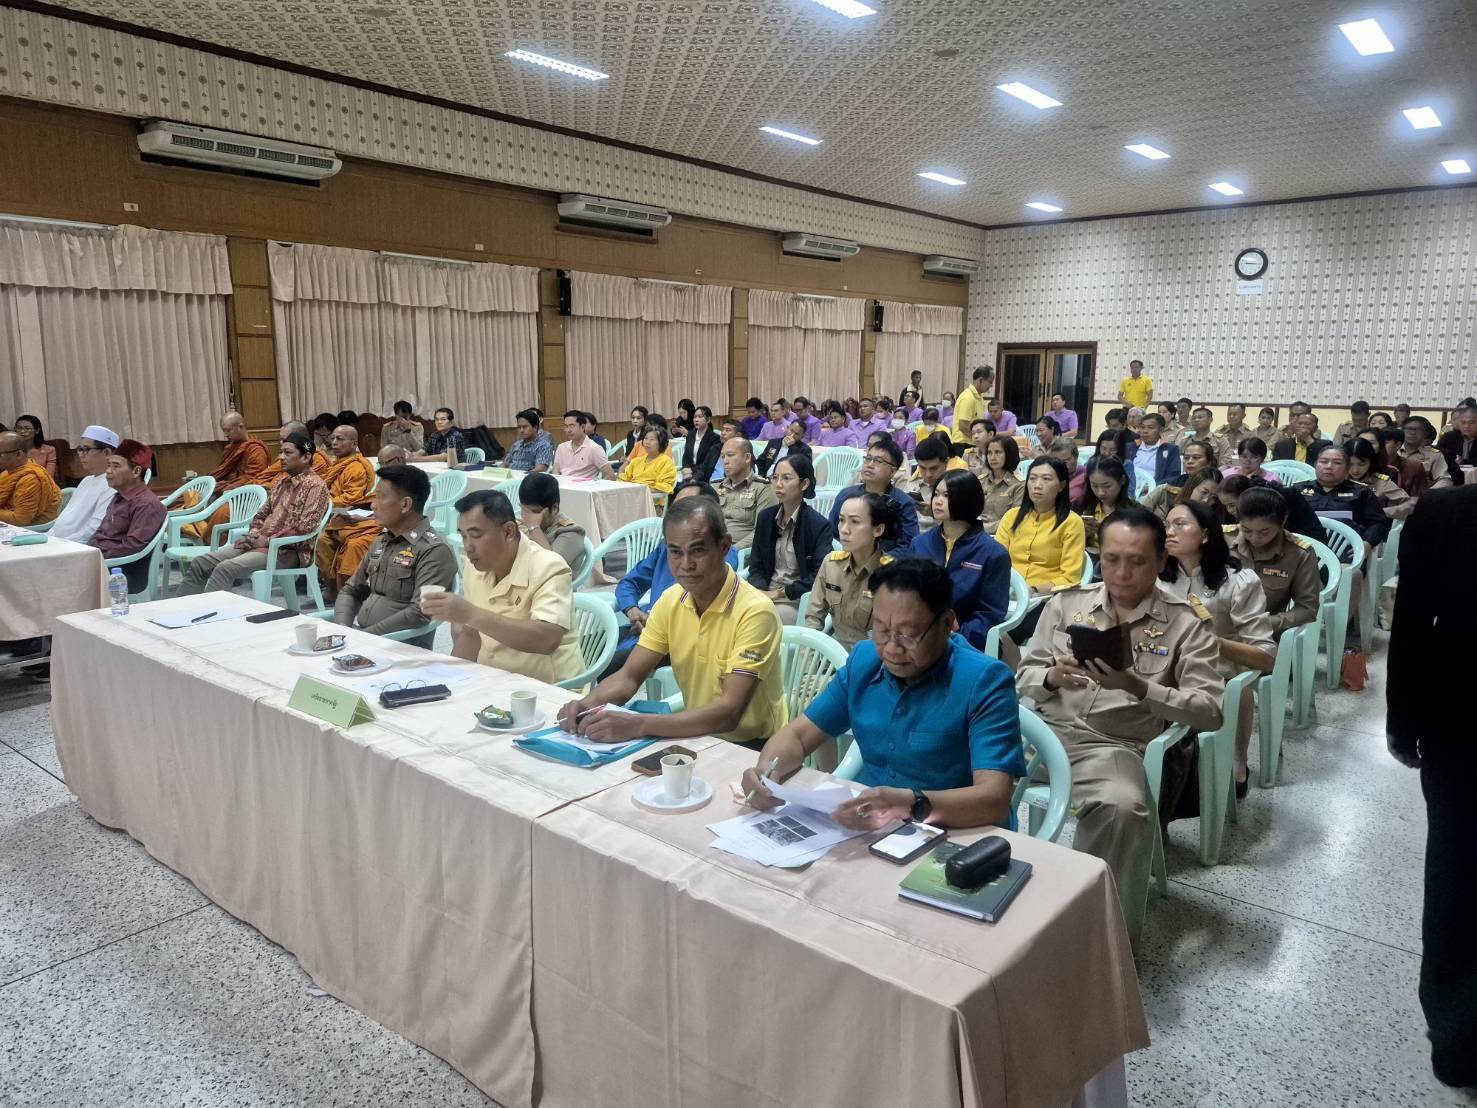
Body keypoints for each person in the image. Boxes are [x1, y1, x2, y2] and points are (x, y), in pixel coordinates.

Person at [1016, 506, 1224, 944]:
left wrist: (1140, 687)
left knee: (1121, 807)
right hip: (1039, 732)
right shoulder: (1067, 604)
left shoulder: (1187, 624)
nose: (1122, 573)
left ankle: (1084, 928)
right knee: (956, 762)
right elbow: (1024, 675)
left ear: (1161, 561)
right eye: (1111, 559)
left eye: (1137, 561)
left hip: (1109, 747)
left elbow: (1210, 711)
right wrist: (1051, 677)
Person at [742, 557, 1026, 829]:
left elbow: (994, 799)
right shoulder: (864, 662)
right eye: (881, 630)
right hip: (874, 826)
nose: (891, 648)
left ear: (946, 624)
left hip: (958, 831)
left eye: (908, 635)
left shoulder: (984, 680)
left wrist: (911, 805)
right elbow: (798, 735)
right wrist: (766, 772)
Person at [558, 496, 788, 746]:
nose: (686, 564)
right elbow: (629, 677)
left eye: (698, 550)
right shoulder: (671, 600)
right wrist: (586, 705)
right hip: (697, 733)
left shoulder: (755, 612)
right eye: (675, 552)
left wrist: (637, 724)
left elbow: (729, 713)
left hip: (755, 745)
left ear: (724, 547)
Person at [1386, 482, 1477, 1090]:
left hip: (1458, 719)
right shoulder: (1446, 512)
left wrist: (1403, 721)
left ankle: (1458, 1035)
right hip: (1460, 721)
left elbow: (1414, 622)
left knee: (1458, 875)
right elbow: (1414, 621)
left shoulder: (1447, 512)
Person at [1160, 500, 1276, 792]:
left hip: (1218, 670)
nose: (1169, 532)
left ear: (1205, 535)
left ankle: (1237, 759)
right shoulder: (1156, 577)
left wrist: (1213, 642)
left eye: (1180, 524)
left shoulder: (1237, 582)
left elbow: (1266, 657)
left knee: (1238, 687)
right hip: (1163, 666)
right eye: (1167, 525)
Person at [419, 490, 583, 683]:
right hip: (496, 679)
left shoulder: (549, 567)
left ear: (508, 532)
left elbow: (547, 639)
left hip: (549, 688)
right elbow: (471, 635)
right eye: (463, 536)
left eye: (475, 535)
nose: (468, 546)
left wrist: (470, 614)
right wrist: (449, 681)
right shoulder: (475, 567)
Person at [611, 480, 739, 673]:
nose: (685, 563)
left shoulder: (722, 557)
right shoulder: (666, 548)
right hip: (644, 624)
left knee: (611, 665)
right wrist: (632, 609)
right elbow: (630, 583)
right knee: (587, 646)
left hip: (679, 639)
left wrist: (657, 622)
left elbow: (702, 610)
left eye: (688, 507)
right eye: (676, 508)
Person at [179, 433, 330, 594]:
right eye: (281, 452)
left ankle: (211, 610)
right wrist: (254, 532)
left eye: (287, 453)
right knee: (200, 563)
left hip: (287, 551)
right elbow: (261, 514)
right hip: (258, 542)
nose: (281, 457)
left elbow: (305, 527)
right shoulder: (282, 482)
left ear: (306, 457)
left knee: (224, 569)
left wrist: (267, 540)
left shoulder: (316, 486)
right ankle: (184, 608)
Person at [332, 463, 457, 646]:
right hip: (363, 641)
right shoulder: (381, 541)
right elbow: (350, 590)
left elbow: (419, 612)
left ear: (405, 504)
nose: (373, 505)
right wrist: (343, 629)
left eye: (380, 497)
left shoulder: (434, 550)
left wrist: (365, 637)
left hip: (401, 648)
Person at [905, 470, 1010, 652]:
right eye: (936, 494)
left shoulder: (993, 553)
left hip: (966, 643)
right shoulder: (919, 543)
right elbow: (906, 593)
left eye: (947, 495)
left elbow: (990, 614)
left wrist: (955, 636)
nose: (937, 501)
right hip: (917, 637)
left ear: (968, 499)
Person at [745, 455, 833, 624]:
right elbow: (756, 564)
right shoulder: (766, 517)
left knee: (760, 619)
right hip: (763, 593)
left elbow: (819, 576)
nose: (778, 484)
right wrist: (761, 591)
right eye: (775, 477)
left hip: (795, 599)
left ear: (804, 484)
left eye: (786, 478)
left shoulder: (818, 525)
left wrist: (780, 593)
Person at [807, 491, 896, 651]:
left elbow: (893, 636)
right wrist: (809, 662)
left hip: (872, 659)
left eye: (855, 522)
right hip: (833, 657)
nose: (844, 529)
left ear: (878, 530)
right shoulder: (831, 563)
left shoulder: (892, 574)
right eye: (841, 520)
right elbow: (813, 618)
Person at [1234, 487, 1321, 641]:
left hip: (1263, 635)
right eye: (1246, 530)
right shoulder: (1222, 540)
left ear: (1283, 521)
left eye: (1264, 532)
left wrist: (1268, 623)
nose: (1255, 538)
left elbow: (1307, 609)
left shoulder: (1299, 554)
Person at [996, 457, 1087, 604]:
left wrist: (1033, 590)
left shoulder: (1071, 522)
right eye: (1032, 478)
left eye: (1046, 479)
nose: (1037, 485)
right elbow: (996, 561)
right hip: (1005, 593)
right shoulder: (1011, 516)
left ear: (1061, 486)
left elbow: (1070, 578)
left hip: (1045, 599)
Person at [86, 440, 167, 593]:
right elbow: (100, 533)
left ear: (136, 471)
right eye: (108, 465)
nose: (108, 471)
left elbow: (132, 547)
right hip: (100, 562)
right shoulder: (118, 497)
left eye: (115, 466)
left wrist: (95, 556)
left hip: (124, 572)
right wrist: (86, 552)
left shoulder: (147, 504)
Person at [182, 411, 272, 541]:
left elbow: (254, 478)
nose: (225, 434)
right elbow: (224, 471)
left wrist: (226, 486)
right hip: (226, 487)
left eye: (228, 430)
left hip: (241, 493)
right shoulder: (232, 447)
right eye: (224, 431)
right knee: (193, 495)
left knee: (206, 502)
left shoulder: (256, 450)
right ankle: (192, 531)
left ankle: (206, 536)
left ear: (240, 426)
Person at [313, 424, 379, 590]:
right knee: (320, 539)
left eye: (340, 439)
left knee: (322, 537)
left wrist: (323, 503)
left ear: (354, 443)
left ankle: (339, 587)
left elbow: (351, 498)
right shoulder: (339, 463)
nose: (334, 442)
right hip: (332, 511)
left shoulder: (356, 467)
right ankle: (330, 585)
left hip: (347, 512)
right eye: (333, 438)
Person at [825, 438, 920, 552]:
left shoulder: (903, 503)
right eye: (868, 458)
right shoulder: (846, 495)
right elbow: (831, 534)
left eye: (878, 461)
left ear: (892, 471)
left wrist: (879, 560)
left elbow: (907, 546)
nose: (870, 465)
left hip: (887, 561)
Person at [1294, 442, 1390, 553]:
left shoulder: (1361, 492)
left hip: (1348, 552)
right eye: (1324, 461)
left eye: (1337, 463)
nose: (1329, 466)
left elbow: (1378, 523)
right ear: (1315, 464)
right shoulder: (1297, 490)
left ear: (1347, 468)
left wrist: (1368, 543)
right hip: (1303, 551)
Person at [49, 425, 120, 543]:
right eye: (80, 449)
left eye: (86, 449)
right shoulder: (86, 480)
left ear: (107, 452)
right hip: (56, 542)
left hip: (75, 547)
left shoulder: (113, 484)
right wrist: (47, 538)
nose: (80, 454)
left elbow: (94, 530)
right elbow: (64, 519)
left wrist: (60, 543)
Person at [515, 471, 589, 572]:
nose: (527, 517)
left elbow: (550, 568)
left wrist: (534, 527)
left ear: (554, 508)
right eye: (524, 510)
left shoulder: (572, 533)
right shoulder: (523, 523)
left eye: (535, 512)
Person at [715, 436, 777, 549]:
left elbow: (761, 533)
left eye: (730, 455)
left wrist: (732, 552)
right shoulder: (715, 486)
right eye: (723, 456)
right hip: (711, 548)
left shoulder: (763, 488)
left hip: (740, 551)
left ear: (747, 458)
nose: (725, 461)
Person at [0, 430, 61, 526]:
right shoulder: (7, 472)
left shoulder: (30, 479)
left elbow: (20, 519)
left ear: (18, 454)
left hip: (30, 529)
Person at [1076, 457, 1133, 555]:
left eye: (1107, 486)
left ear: (1122, 480)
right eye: (1095, 486)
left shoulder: (1134, 513)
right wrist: (1082, 534)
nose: (1101, 492)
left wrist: (1106, 534)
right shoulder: (1083, 507)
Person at [1346, 438, 1414, 519]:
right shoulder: (1338, 479)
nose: (1355, 470)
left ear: (1371, 461)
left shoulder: (1381, 482)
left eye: (1361, 464)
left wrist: (1380, 512)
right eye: (1350, 464)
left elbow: (1410, 505)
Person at [901, 434, 956, 530]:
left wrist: (934, 514)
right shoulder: (911, 485)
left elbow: (963, 527)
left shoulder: (958, 487)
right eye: (922, 468)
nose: (928, 474)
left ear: (946, 462)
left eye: (934, 468)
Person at [620, 424, 678, 505]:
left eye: (652, 439)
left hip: (653, 503)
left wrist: (638, 491)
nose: (647, 442)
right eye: (646, 438)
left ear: (661, 443)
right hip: (631, 499)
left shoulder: (666, 462)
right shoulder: (636, 461)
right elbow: (623, 479)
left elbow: (663, 487)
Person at [980, 436, 1025, 535]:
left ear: (1009, 454)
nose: (992, 457)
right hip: (977, 534)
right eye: (989, 453)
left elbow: (1014, 520)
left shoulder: (1019, 485)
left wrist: (980, 528)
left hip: (1003, 536)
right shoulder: (981, 481)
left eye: (998, 452)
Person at [552, 409, 615, 480]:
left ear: (582, 427)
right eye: (566, 426)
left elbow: (610, 476)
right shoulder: (561, 447)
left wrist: (595, 485)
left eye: (572, 426)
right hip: (563, 484)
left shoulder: (594, 448)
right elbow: (555, 471)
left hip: (583, 485)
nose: (568, 430)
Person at [1127, 412, 1181, 489]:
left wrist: (1153, 487)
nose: (1145, 431)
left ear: (1161, 430)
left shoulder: (1171, 450)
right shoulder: (1129, 448)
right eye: (1142, 427)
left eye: (1150, 427)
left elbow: (1173, 476)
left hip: (1154, 490)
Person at [1400, 416, 1452, 489]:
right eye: (1409, 429)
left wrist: (1428, 493)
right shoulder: (1393, 450)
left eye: (1418, 429)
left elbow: (1445, 480)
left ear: (1425, 433)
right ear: (1402, 430)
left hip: (1423, 493)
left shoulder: (1434, 455)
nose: (1412, 432)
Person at [950, 366, 992, 445]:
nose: (991, 385)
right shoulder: (968, 397)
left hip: (971, 442)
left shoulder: (979, 397)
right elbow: (963, 426)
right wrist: (980, 441)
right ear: (981, 380)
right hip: (963, 444)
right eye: (990, 382)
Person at [502, 408, 552, 472]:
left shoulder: (543, 446)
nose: (521, 430)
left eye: (525, 427)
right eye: (519, 427)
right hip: (511, 475)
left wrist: (523, 475)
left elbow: (540, 469)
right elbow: (505, 464)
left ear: (535, 427)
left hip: (528, 477)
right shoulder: (516, 445)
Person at [682, 405, 723, 484]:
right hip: (688, 473)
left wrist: (692, 470)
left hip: (705, 474)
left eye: (700, 417)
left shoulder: (715, 439)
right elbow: (686, 457)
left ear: (708, 420)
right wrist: (685, 469)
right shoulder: (690, 435)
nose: (696, 420)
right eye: (695, 417)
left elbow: (709, 463)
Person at [1437, 404, 1477, 479]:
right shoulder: (1449, 437)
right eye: (1463, 423)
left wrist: (1463, 462)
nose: (1467, 426)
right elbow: (1439, 454)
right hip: (1451, 476)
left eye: (1471, 423)